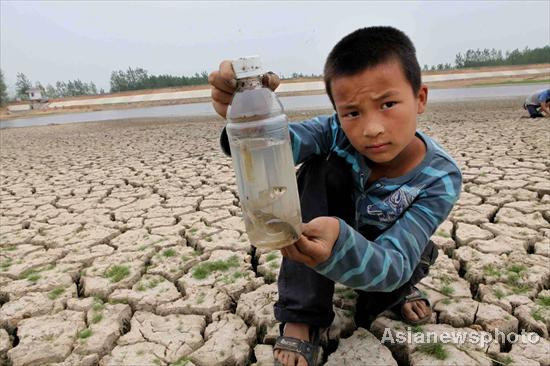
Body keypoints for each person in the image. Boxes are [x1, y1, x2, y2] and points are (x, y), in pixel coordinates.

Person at [209, 26, 462, 366]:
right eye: (352, 112)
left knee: (393, 280)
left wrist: (341, 242)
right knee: (319, 167)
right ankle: (302, 315)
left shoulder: (440, 177)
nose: (371, 129)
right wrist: (245, 119)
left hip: (393, 253)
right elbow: (280, 144)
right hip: (335, 231)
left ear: (420, 98)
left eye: (388, 103)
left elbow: (395, 260)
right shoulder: (335, 132)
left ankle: (402, 290)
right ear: (338, 111)